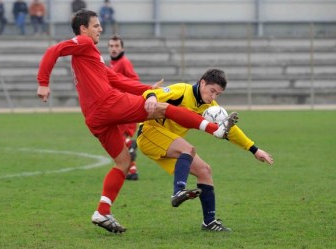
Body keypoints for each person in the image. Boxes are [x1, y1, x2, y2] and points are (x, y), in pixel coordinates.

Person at [37, 9, 237, 234]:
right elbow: (53, 50)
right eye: (96, 25)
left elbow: (116, 79)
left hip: (94, 118)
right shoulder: (83, 42)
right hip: (107, 105)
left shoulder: (90, 58)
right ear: (83, 29)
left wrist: (148, 89)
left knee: (123, 162)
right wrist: (43, 82)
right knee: (164, 109)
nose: (100, 29)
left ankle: (102, 211)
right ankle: (215, 129)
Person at [137, 68, 274, 232]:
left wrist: (254, 149)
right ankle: (178, 192)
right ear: (202, 83)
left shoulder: (210, 107)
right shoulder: (182, 90)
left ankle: (209, 222)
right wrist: (152, 96)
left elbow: (229, 131)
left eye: (218, 94)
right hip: (149, 133)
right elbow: (150, 93)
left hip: (170, 142)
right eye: (212, 91)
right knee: (188, 149)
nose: (213, 97)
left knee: (205, 170)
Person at [108, 34, 141, 180]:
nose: (113, 49)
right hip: (120, 105)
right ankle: (132, 172)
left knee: (120, 141)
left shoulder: (124, 62)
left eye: (116, 46)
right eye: (111, 46)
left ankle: (131, 144)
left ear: (122, 48)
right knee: (122, 140)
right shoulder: (114, 64)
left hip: (125, 105)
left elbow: (134, 80)